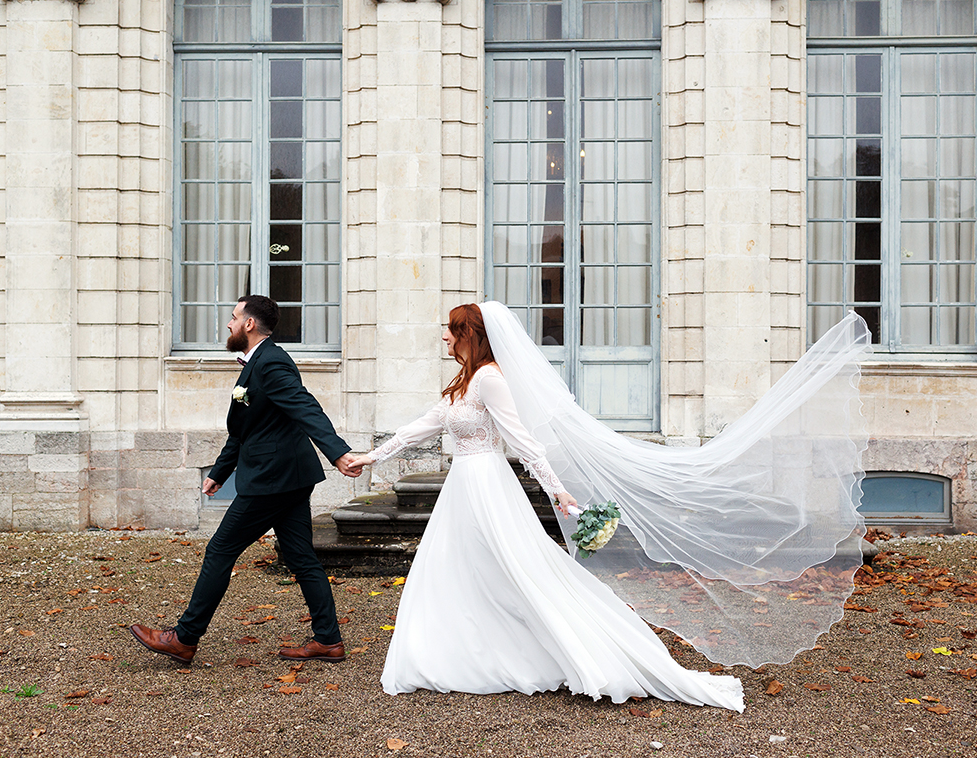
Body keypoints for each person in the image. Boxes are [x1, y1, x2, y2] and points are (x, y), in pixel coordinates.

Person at [345, 304, 748, 709]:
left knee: (516, 567)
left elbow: (523, 442)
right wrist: (371, 456)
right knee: (458, 566)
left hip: (487, 484)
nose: (445, 338)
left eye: (451, 331)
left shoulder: (490, 379)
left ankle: (558, 649)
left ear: (472, 335)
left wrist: (557, 490)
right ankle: (462, 651)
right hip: (461, 488)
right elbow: (424, 425)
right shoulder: (463, 381)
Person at [131, 295, 363, 665]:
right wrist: (221, 472)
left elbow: (305, 406)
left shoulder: (270, 363)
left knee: (220, 550)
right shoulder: (258, 362)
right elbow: (245, 430)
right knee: (302, 558)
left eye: (234, 317)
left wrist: (337, 452)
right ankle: (328, 641)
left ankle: (184, 637)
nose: (229, 323)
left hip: (272, 479)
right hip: (290, 476)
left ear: (249, 324)